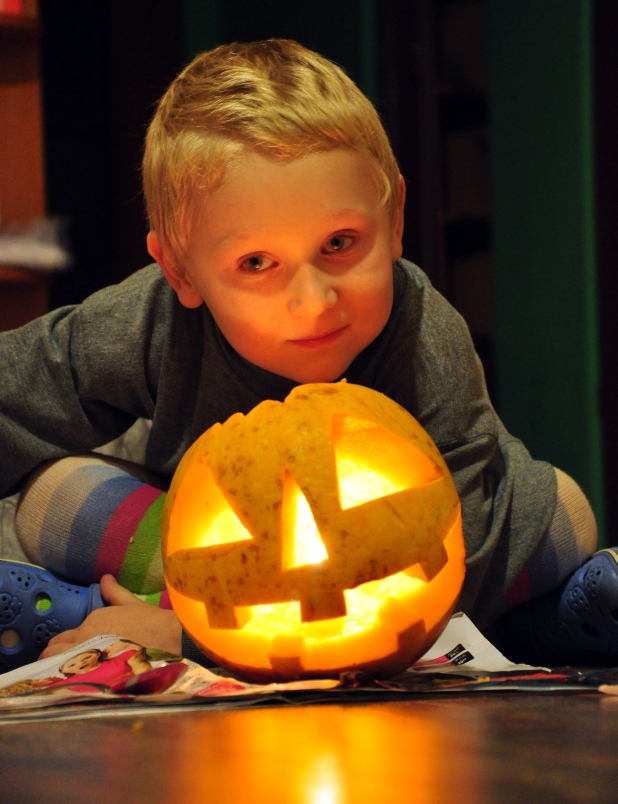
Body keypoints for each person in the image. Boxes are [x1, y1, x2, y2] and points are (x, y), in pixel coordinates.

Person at [0, 39, 612, 671]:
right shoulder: (147, 320)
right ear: (179, 270)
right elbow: (16, 392)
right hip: (206, 542)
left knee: (567, 510)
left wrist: (186, 637)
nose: (314, 300)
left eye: (340, 243)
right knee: (55, 491)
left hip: (394, 569)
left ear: (395, 219)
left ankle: (544, 625)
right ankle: (92, 609)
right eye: (257, 263)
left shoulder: (425, 336)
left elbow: (458, 547)